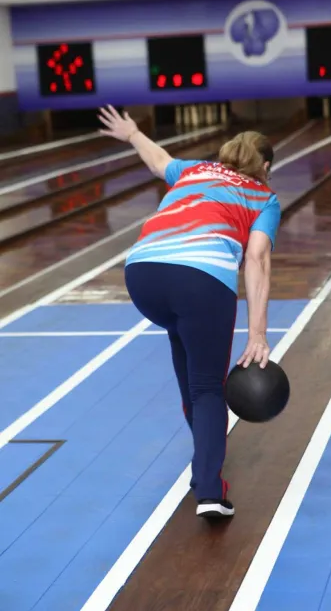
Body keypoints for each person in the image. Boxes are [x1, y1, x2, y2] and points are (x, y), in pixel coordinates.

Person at [98, 105, 281, 518]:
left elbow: (158, 160)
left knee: (188, 358)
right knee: (207, 388)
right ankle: (211, 493)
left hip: (142, 273)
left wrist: (132, 133)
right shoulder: (264, 197)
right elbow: (256, 259)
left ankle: (204, 466)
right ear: (265, 165)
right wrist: (258, 333)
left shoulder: (196, 170)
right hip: (199, 279)